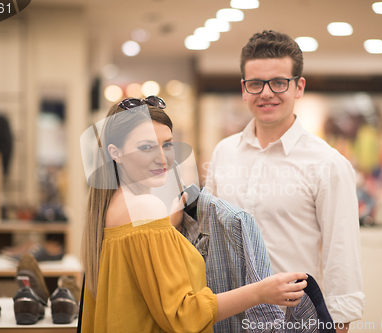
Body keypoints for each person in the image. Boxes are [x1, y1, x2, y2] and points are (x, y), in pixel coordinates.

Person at [79, 96, 308, 332]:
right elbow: (184, 315)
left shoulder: (110, 207)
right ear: (115, 153)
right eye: (146, 147)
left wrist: (167, 225)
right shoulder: (145, 208)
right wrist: (260, 292)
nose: (162, 157)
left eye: (167, 144)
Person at [204, 30, 365, 332]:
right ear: (244, 89)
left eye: (279, 82)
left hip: (294, 321)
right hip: (227, 317)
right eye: (255, 84)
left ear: (298, 86)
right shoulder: (223, 152)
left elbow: (341, 259)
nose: (266, 93)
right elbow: (208, 236)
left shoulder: (327, 163)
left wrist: (339, 325)